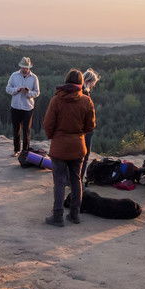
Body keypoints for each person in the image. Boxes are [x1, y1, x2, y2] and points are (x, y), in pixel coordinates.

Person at [43, 69, 96, 226]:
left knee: (59, 182)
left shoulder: (56, 100)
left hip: (59, 146)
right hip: (78, 146)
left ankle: (58, 216)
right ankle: (74, 215)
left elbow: (48, 124)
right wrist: (79, 134)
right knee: (76, 180)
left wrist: (54, 136)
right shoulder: (86, 101)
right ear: (80, 83)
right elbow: (91, 125)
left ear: (66, 81)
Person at [5, 57, 40, 157]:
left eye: (26, 67)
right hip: (15, 106)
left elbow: (37, 92)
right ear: (20, 66)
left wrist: (28, 92)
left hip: (28, 108)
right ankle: (16, 150)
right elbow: (7, 89)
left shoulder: (34, 78)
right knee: (16, 129)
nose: (24, 69)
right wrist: (17, 90)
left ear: (29, 67)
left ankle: (25, 152)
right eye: (23, 67)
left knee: (26, 130)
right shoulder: (14, 75)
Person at [80, 68, 101, 183]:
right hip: (86, 128)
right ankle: (79, 179)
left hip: (79, 128)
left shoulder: (78, 91)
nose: (93, 85)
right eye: (94, 83)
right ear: (89, 81)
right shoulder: (85, 93)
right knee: (85, 154)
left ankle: (72, 178)